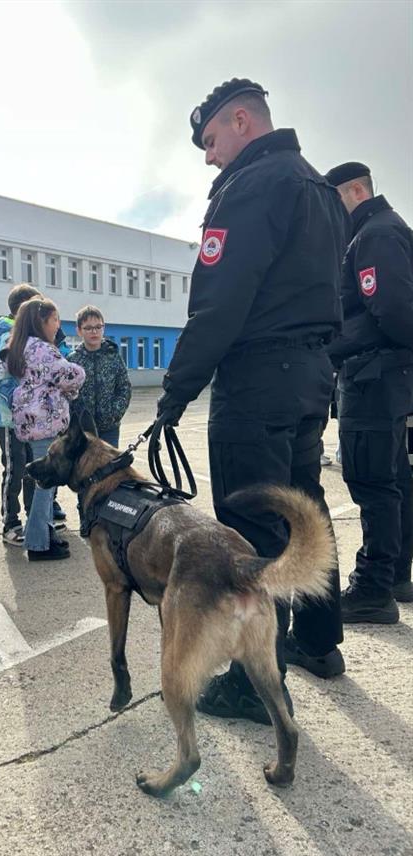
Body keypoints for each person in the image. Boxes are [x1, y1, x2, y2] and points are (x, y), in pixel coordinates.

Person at [157, 78, 348, 724]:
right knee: (303, 515)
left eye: (211, 141)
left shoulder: (252, 187)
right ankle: (321, 644)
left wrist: (174, 392)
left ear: (242, 122)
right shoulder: (321, 190)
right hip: (308, 374)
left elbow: (219, 303)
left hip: (259, 374)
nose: (209, 157)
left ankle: (256, 686)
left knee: (251, 534)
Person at [325, 162, 413, 622]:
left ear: (356, 190)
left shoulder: (374, 235)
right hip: (383, 377)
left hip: (373, 379)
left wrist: (332, 345)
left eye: (334, 200)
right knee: (395, 479)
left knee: (373, 483)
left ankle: (373, 588)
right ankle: (396, 574)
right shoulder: (383, 229)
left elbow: (394, 314)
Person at [7, 298, 85, 561]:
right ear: (42, 322)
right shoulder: (43, 349)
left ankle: (44, 533)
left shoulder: (20, 346)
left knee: (46, 484)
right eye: (55, 320)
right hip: (46, 422)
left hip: (31, 423)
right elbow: (71, 375)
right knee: (46, 485)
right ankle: (39, 542)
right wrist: (77, 372)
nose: (58, 325)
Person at [0, 284, 41, 546]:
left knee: (33, 467)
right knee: (14, 467)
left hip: (32, 419)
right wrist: (22, 404)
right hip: (9, 418)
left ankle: (35, 518)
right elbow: (0, 379)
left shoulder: (33, 339)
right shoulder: (7, 339)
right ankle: (11, 522)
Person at [68, 305, 131, 449]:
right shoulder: (73, 360)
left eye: (98, 327)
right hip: (82, 430)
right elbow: (68, 394)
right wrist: (77, 417)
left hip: (109, 428)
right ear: (79, 331)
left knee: (109, 467)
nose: (94, 332)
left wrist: (114, 413)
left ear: (104, 328)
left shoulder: (113, 356)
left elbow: (124, 388)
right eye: (88, 328)